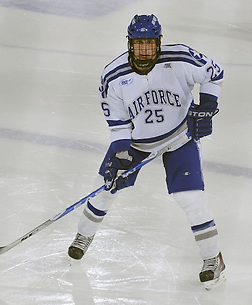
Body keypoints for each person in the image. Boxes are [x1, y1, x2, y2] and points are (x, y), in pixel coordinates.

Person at [68, 14, 225, 289]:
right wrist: (120, 153)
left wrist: (209, 104)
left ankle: (212, 258)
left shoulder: (180, 59)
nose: (144, 50)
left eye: (150, 43)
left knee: (191, 198)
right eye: (139, 44)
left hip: (179, 138)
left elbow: (215, 72)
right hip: (137, 143)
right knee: (104, 189)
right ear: (130, 44)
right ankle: (84, 235)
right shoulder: (113, 76)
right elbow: (117, 125)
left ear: (158, 43)